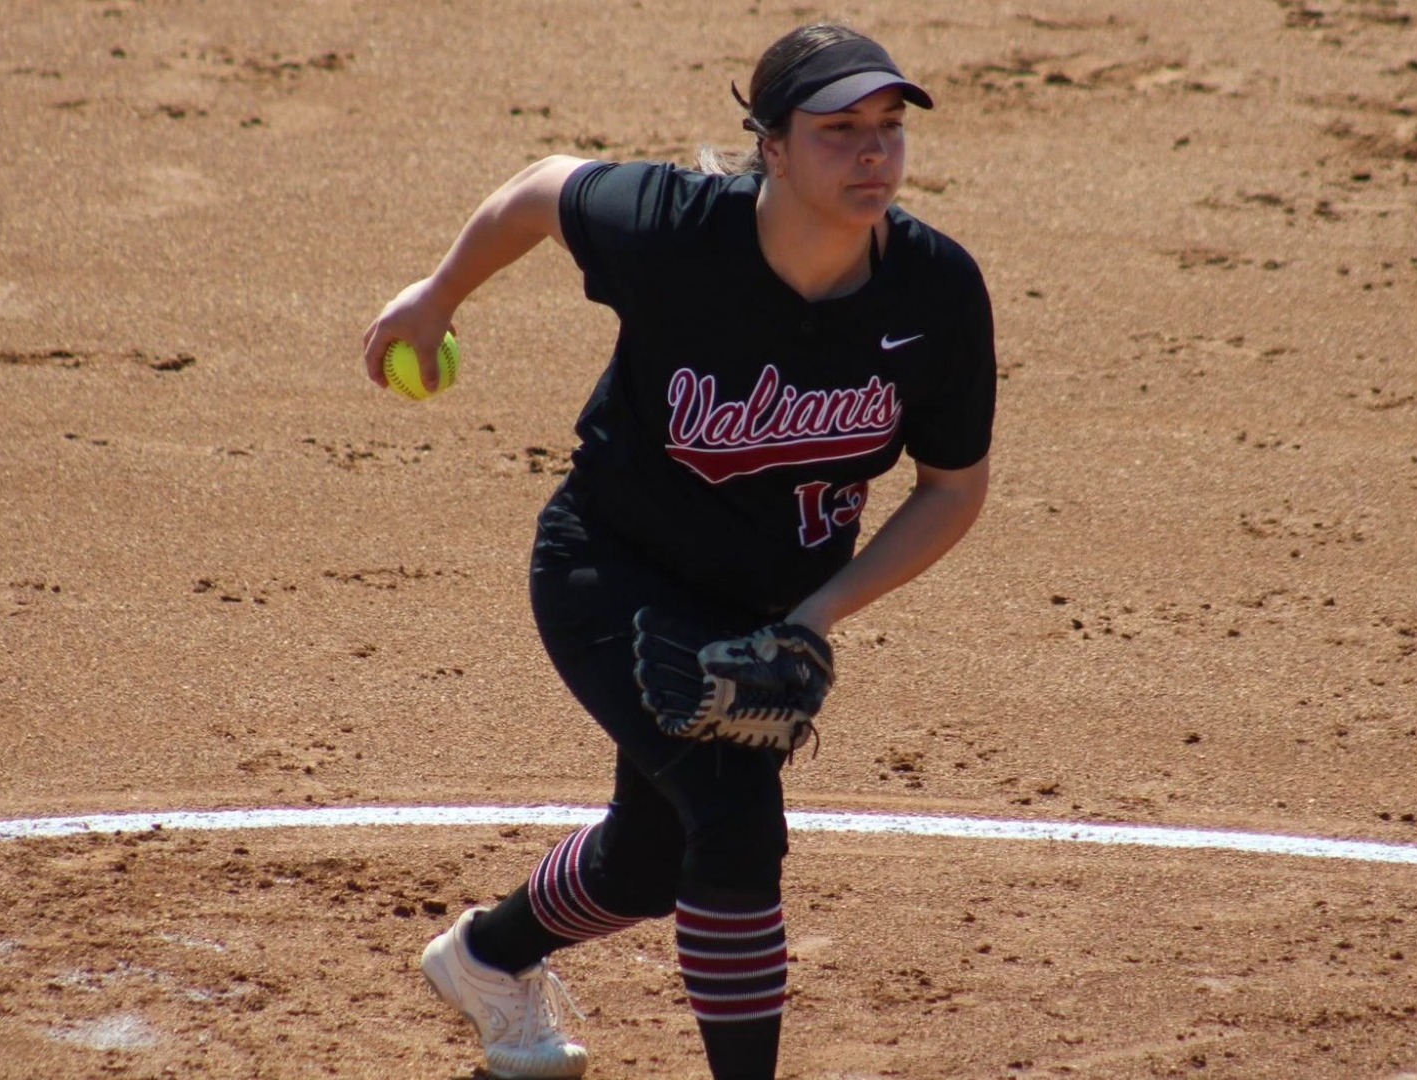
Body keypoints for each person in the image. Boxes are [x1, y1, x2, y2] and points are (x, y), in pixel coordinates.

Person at [360, 23, 996, 1080]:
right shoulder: (671, 231)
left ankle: (485, 959)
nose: (873, 153)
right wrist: (437, 295)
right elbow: (539, 187)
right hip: (610, 572)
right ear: (773, 149)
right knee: (736, 822)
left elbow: (952, 490)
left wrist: (814, 616)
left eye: (888, 128)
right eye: (838, 131)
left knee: (652, 861)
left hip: (763, 612)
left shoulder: (933, 293)